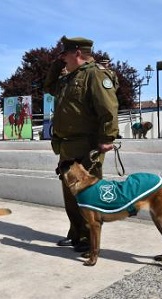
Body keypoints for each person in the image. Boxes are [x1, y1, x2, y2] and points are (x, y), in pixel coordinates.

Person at [43, 36, 119, 252]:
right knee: (70, 194)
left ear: (77, 53)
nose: (62, 58)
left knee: (88, 194)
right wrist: (58, 64)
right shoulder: (68, 78)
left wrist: (106, 139)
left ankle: (90, 238)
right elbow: (48, 86)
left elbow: (108, 108)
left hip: (87, 145)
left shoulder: (95, 74)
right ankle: (76, 233)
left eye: (64, 54)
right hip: (66, 145)